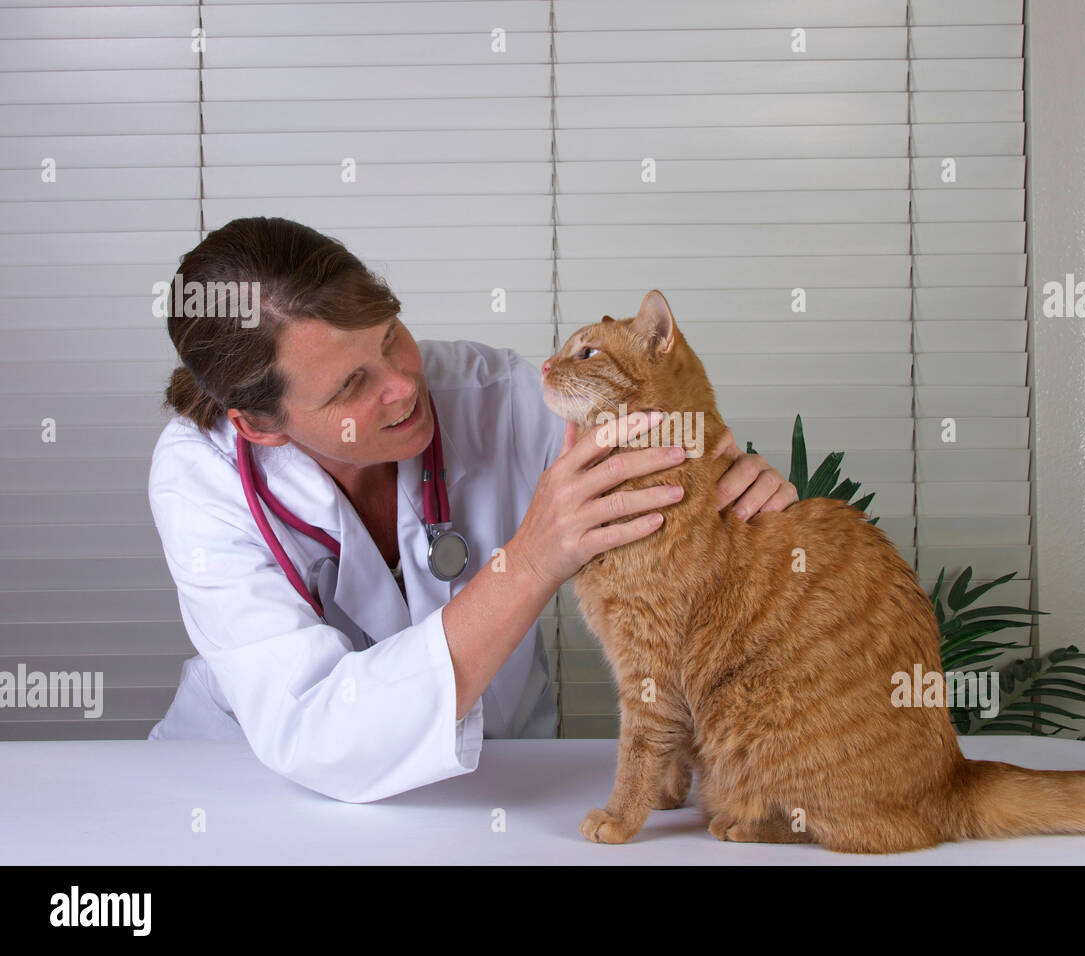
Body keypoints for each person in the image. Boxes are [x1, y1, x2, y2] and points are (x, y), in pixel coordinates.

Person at [148, 217, 798, 802]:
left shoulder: (497, 396)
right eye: (352, 385)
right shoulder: (199, 481)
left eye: (389, 338)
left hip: (505, 782)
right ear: (260, 426)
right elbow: (316, 727)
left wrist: (734, 487)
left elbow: (670, 468)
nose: (404, 385)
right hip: (244, 789)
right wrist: (532, 561)